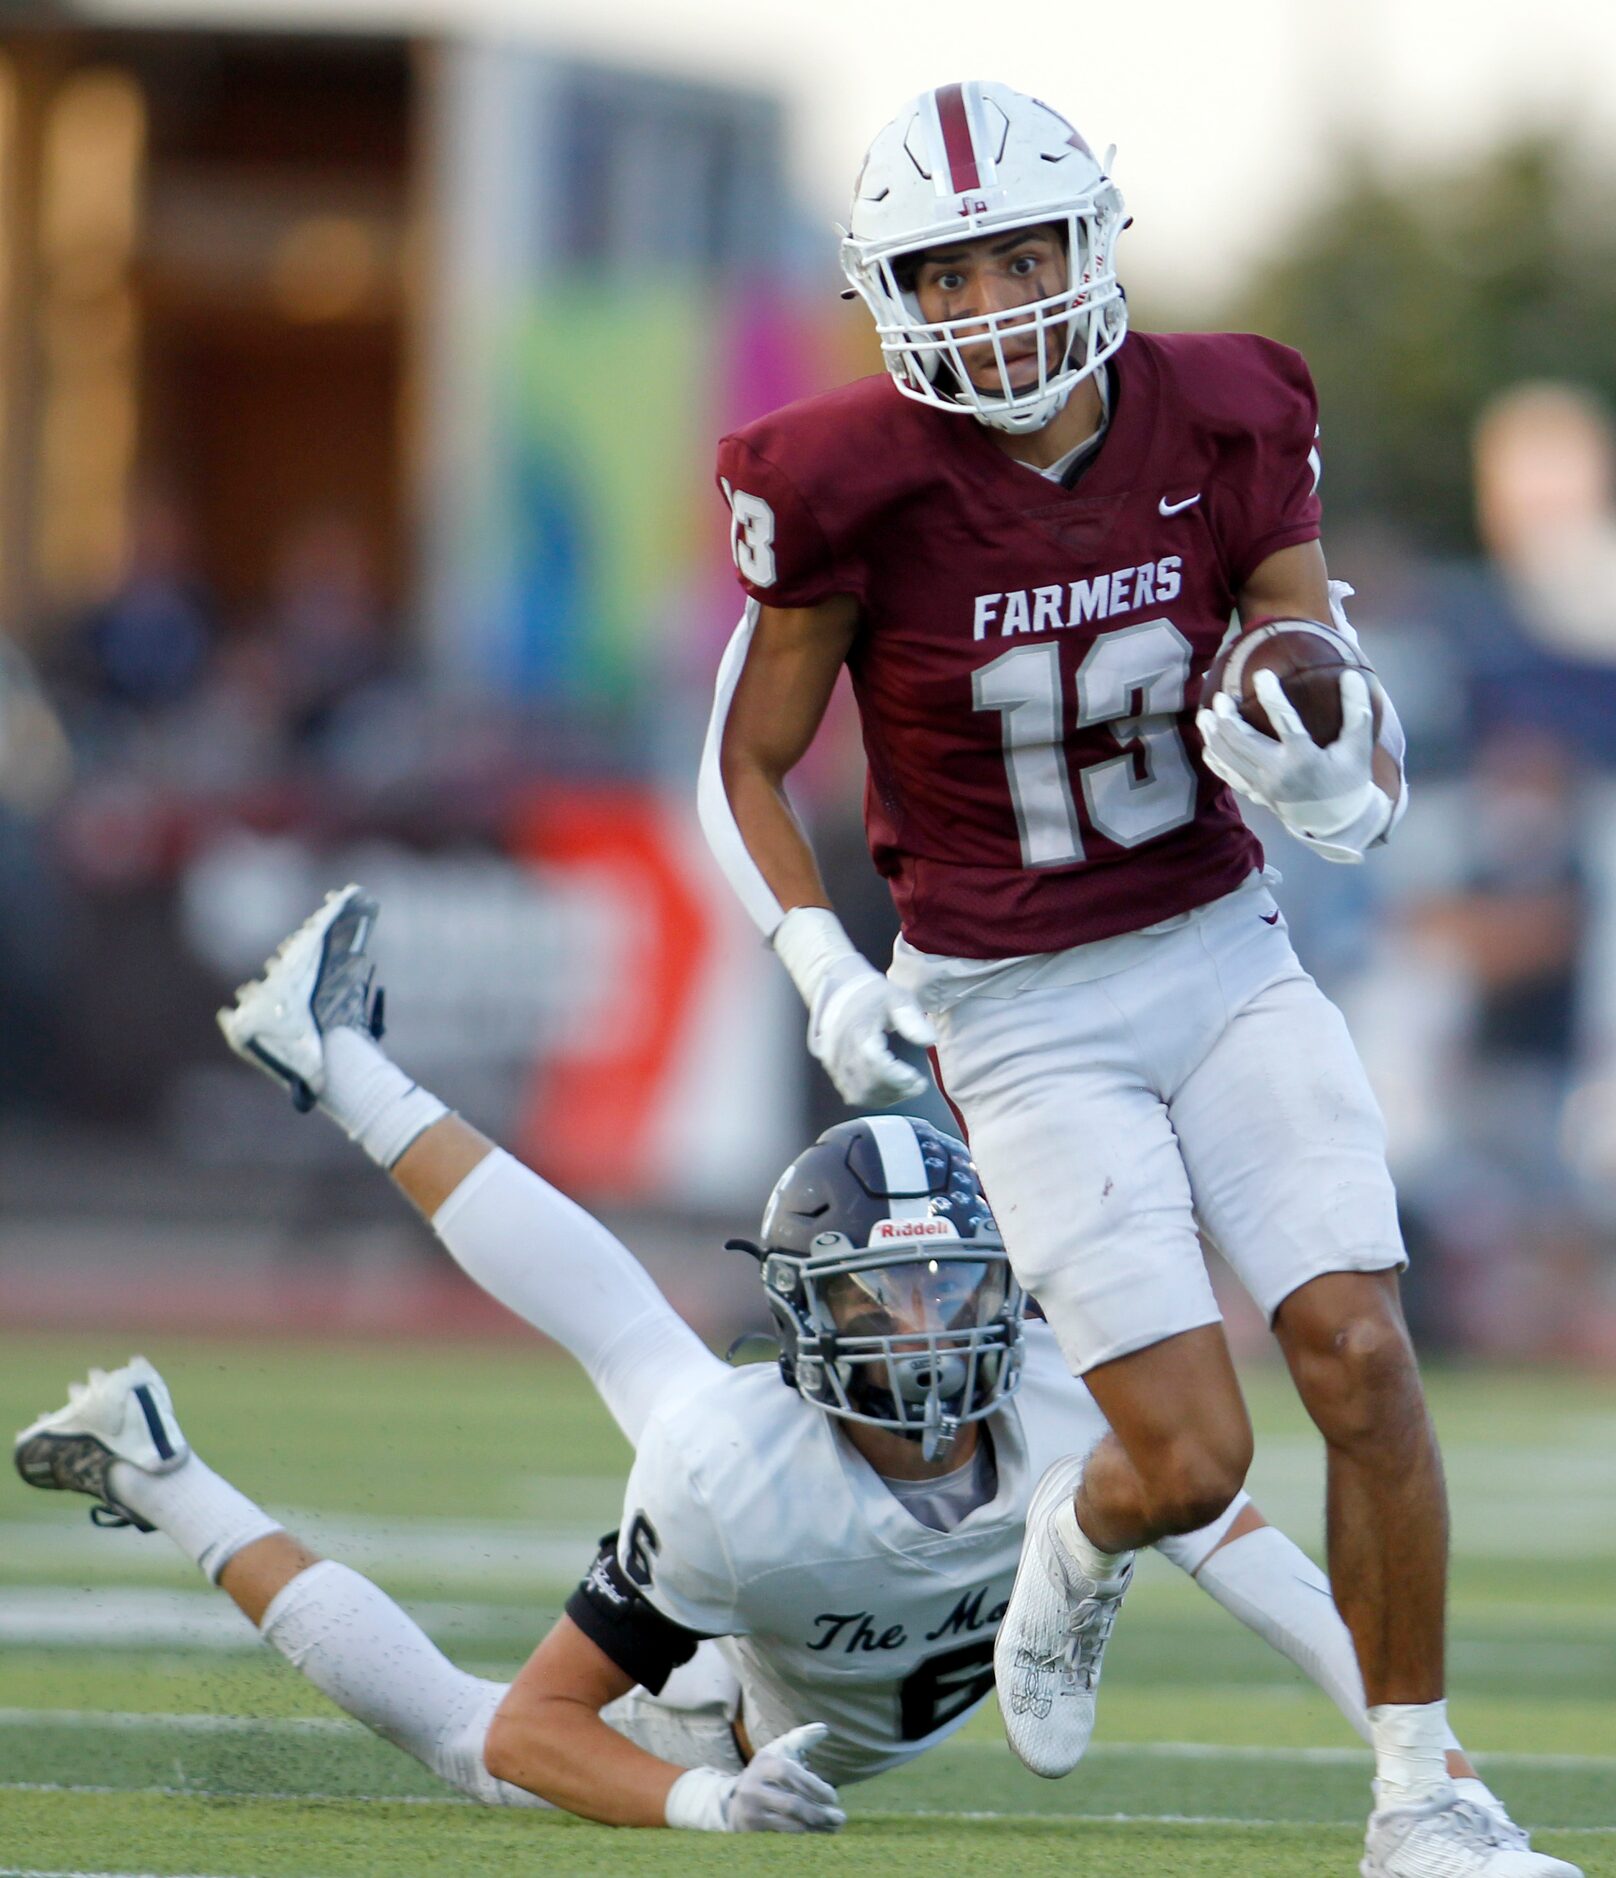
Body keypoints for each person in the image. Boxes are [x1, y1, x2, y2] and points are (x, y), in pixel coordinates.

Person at [698, 82, 1578, 1877]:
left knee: (1361, 1351)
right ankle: (1079, 1544)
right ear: (894, 295)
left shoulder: (1231, 406)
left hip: (1218, 945)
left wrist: (1327, 752)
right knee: (1182, 1455)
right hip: (1015, 1007)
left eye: (1027, 252)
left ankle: (1424, 1796)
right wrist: (813, 952)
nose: (999, 299)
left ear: (1092, 244)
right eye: (951, 273)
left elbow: (1308, 664)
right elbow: (745, 762)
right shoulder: (837, 479)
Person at [14, 887, 1526, 1841]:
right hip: (725, 1699)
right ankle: (162, 1468)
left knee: (623, 1327)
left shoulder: (1073, 1383)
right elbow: (544, 1724)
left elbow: (1267, 1568)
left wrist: (1423, 1753)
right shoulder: (740, 1469)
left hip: (805, 1604)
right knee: (468, 1743)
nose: (929, 1329)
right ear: (808, 1322)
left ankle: (338, 1059)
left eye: (951, 1287)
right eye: (886, 1298)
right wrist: (698, 1796)